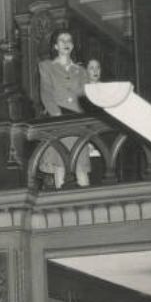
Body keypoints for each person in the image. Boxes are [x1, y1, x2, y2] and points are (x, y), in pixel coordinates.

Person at [37, 30, 91, 190]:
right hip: (58, 120)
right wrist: (57, 115)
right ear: (55, 46)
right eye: (62, 40)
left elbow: (85, 97)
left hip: (78, 122)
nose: (66, 43)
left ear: (73, 45)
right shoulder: (46, 66)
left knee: (80, 167)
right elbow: (46, 93)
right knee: (60, 165)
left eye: (69, 40)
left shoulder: (81, 71)